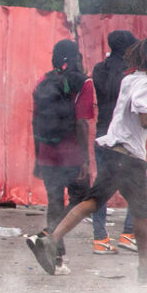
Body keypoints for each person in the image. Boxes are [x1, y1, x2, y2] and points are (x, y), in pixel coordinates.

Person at [27, 38, 147, 283]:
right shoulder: (146, 84)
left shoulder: (131, 79)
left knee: (113, 206)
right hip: (128, 158)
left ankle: (51, 240)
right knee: (110, 205)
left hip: (115, 152)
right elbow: (145, 120)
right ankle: (51, 241)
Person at [28, 40, 94, 275]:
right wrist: (85, 160)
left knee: (55, 202)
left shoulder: (42, 81)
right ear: (75, 57)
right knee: (85, 198)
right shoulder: (84, 83)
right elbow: (82, 123)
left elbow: (35, 122)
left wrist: (38, 158)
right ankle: (48, 236)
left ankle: (56, 259)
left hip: (47, 153)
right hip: (72, 155)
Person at [89, 30, 146, 254]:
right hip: (124, 138)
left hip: (102, 135)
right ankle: (128, 234)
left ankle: (100, 239)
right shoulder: (132, 77)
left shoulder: (98, 70)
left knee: (102, 188)